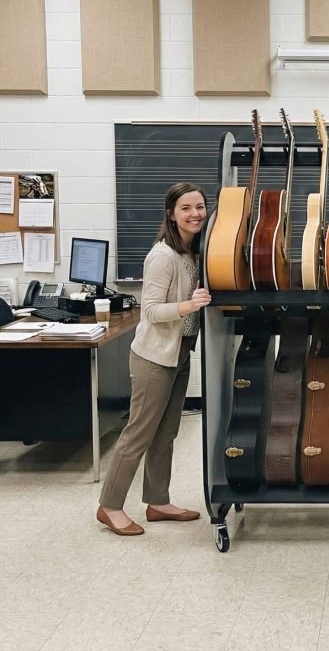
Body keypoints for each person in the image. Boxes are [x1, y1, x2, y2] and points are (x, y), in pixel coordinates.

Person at [96, 182, 212, 536]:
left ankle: (158, 501)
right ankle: (110, 506)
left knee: (166, 433)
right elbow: (150, 310)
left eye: (200, 207)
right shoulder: (163, 255)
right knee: (138, 433)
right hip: (153, 359)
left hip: (179, 353)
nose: (195, 214)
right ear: (171, 215)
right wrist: (189, 305)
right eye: (186, 208)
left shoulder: (196, 253)